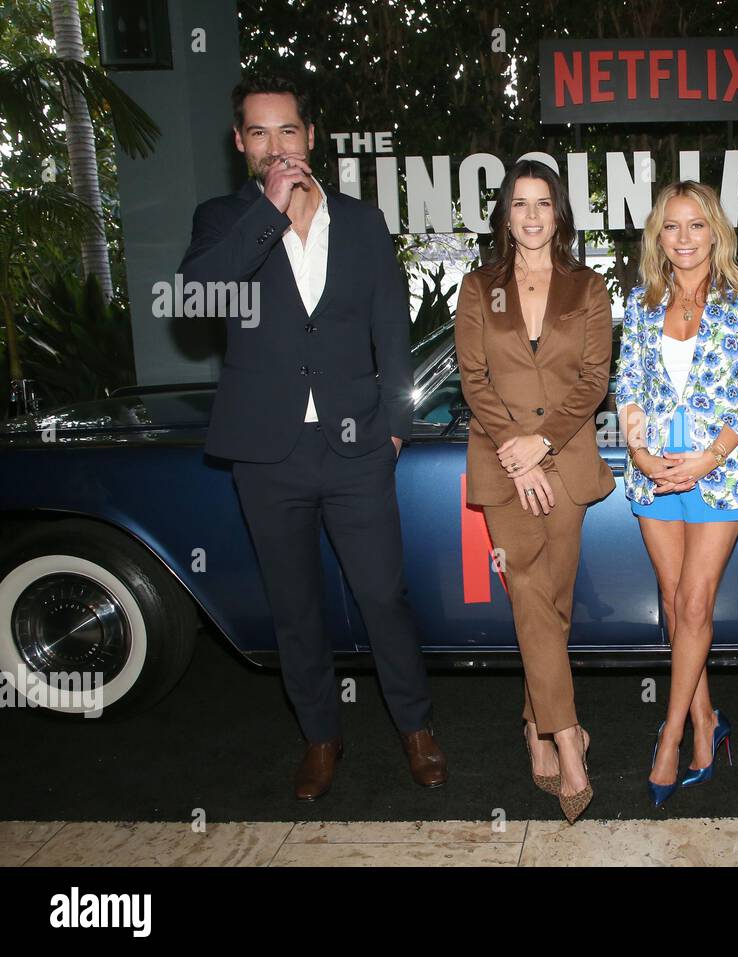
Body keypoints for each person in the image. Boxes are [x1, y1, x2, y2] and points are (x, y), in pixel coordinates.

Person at [180, 74, 444, 800]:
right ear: (240, 144)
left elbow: (392, 330)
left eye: (287, 131)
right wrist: (266, 216)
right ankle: (321, 737)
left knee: (384, 596)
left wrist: (394, 428)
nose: (275, 147)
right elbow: (198, 296)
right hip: (267, 454)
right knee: (294, 605)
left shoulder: (361, 222)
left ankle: (416, 728)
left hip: (358, 445)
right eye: (258, 134)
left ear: (310, 137)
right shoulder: (221, 220)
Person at [454, 159, 615, 824]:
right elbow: (473, 378)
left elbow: (593, 378)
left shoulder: (588, 286)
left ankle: (534, 724)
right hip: (501, 465)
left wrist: (542, 443)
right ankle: (568, 742)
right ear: (505, 214)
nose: (529, 214)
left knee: (553, 605)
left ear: (559, 213)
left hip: (567, 460)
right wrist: (516, 455)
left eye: (541, 202)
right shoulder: (478, 287)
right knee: (526, 586)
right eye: (518, 203)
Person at [614, 181, 738, 808]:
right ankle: (708, 720)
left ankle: (671, 739)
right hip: (653, 474)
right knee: (675, 609)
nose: (683, 239)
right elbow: (627, 383)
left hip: (721, 472)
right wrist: (642, 452)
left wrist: (706, 459)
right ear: (659, 236)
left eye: (695, 226)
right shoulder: (643, 301)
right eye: (671, 227)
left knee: (697, 605)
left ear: (715, 232)